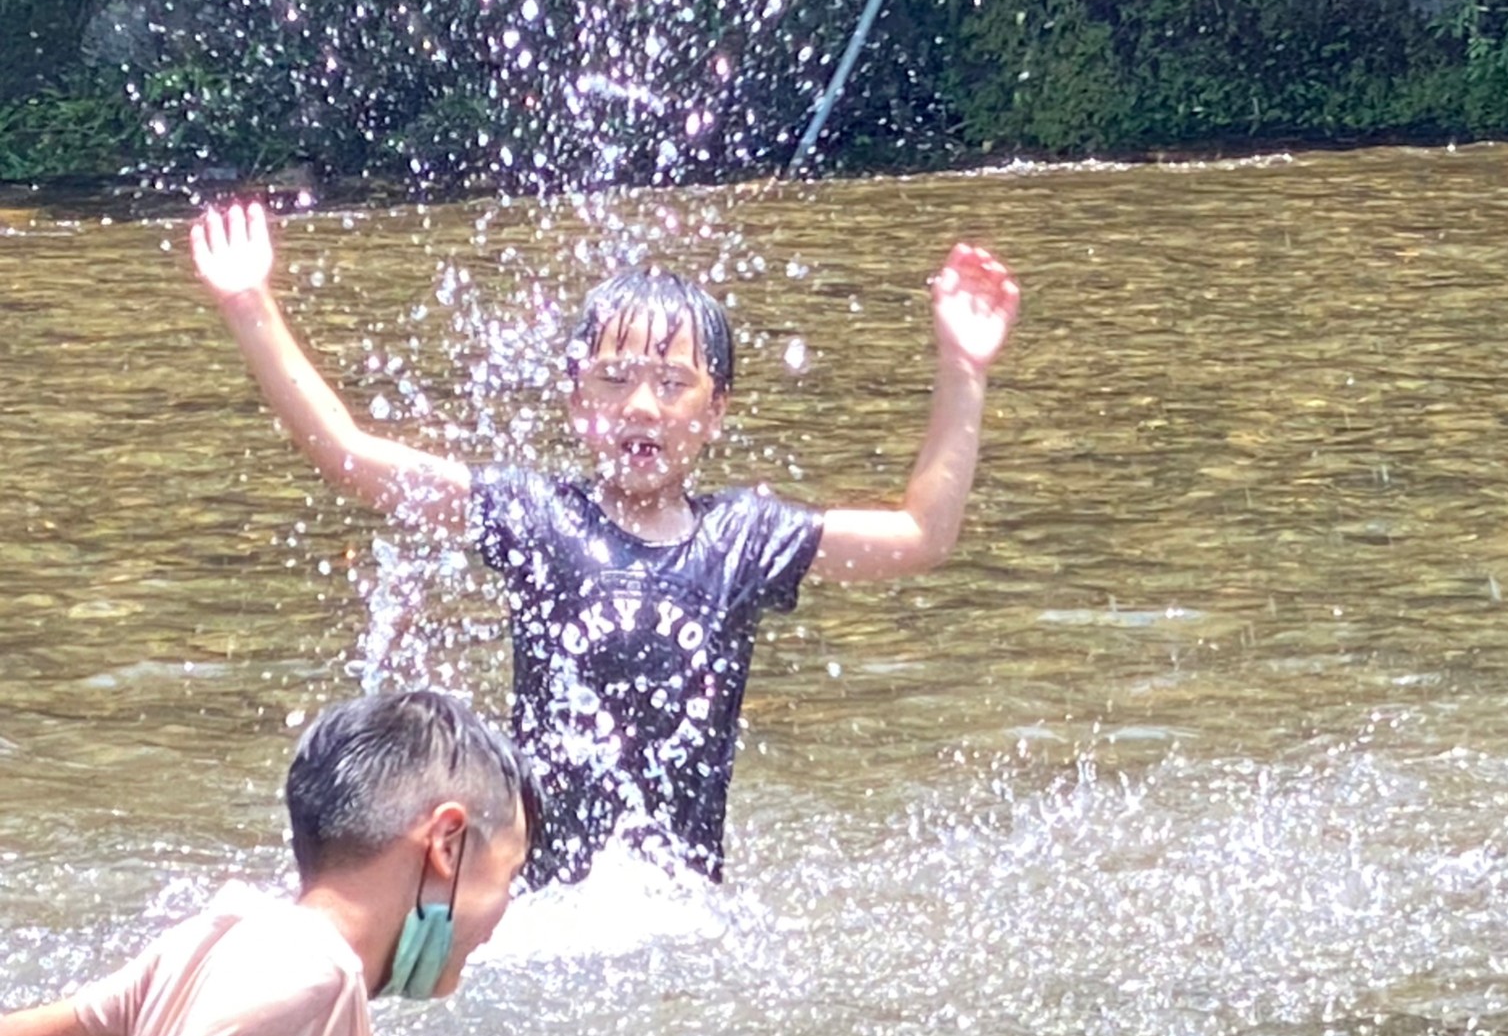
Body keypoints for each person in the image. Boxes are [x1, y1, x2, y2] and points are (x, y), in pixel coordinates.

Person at [191, 200, 1021, 884]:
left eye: (673, 383)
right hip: (544, 910)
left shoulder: (743, 539)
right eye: (614, 379)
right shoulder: (535, 518)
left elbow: (922, 535)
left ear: (715, 410)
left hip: (682, 908)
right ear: (575, 399)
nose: (641, 407)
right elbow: (350, 456)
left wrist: (964, 367)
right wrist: (249, 304)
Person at [0, 690, 620, 1036]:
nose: (504, 911)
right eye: (510, 874)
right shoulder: (310, 976)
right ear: (447, 844)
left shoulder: (222, 932)